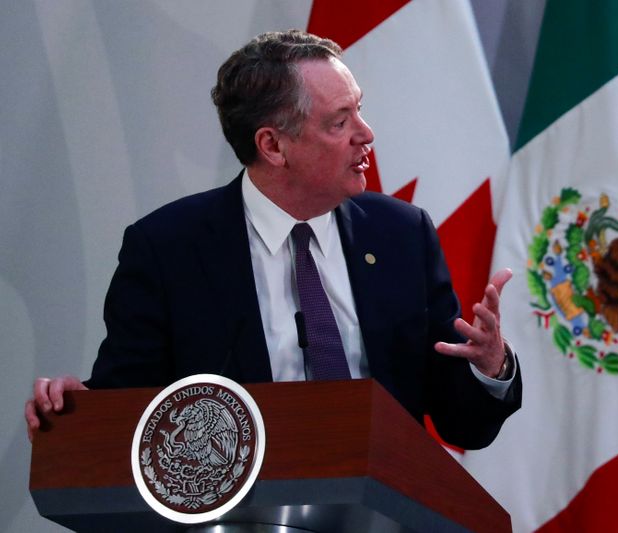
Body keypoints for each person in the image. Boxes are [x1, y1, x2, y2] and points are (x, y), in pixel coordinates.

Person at [25, 30, 521, 449]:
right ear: (273, 145)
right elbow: (131, 410)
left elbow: (463, 424)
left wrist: (490, 366)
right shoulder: (167, 248)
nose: (366, 134)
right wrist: (81, 411)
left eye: (360, 112)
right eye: (340, 122)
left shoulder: (401, 235)